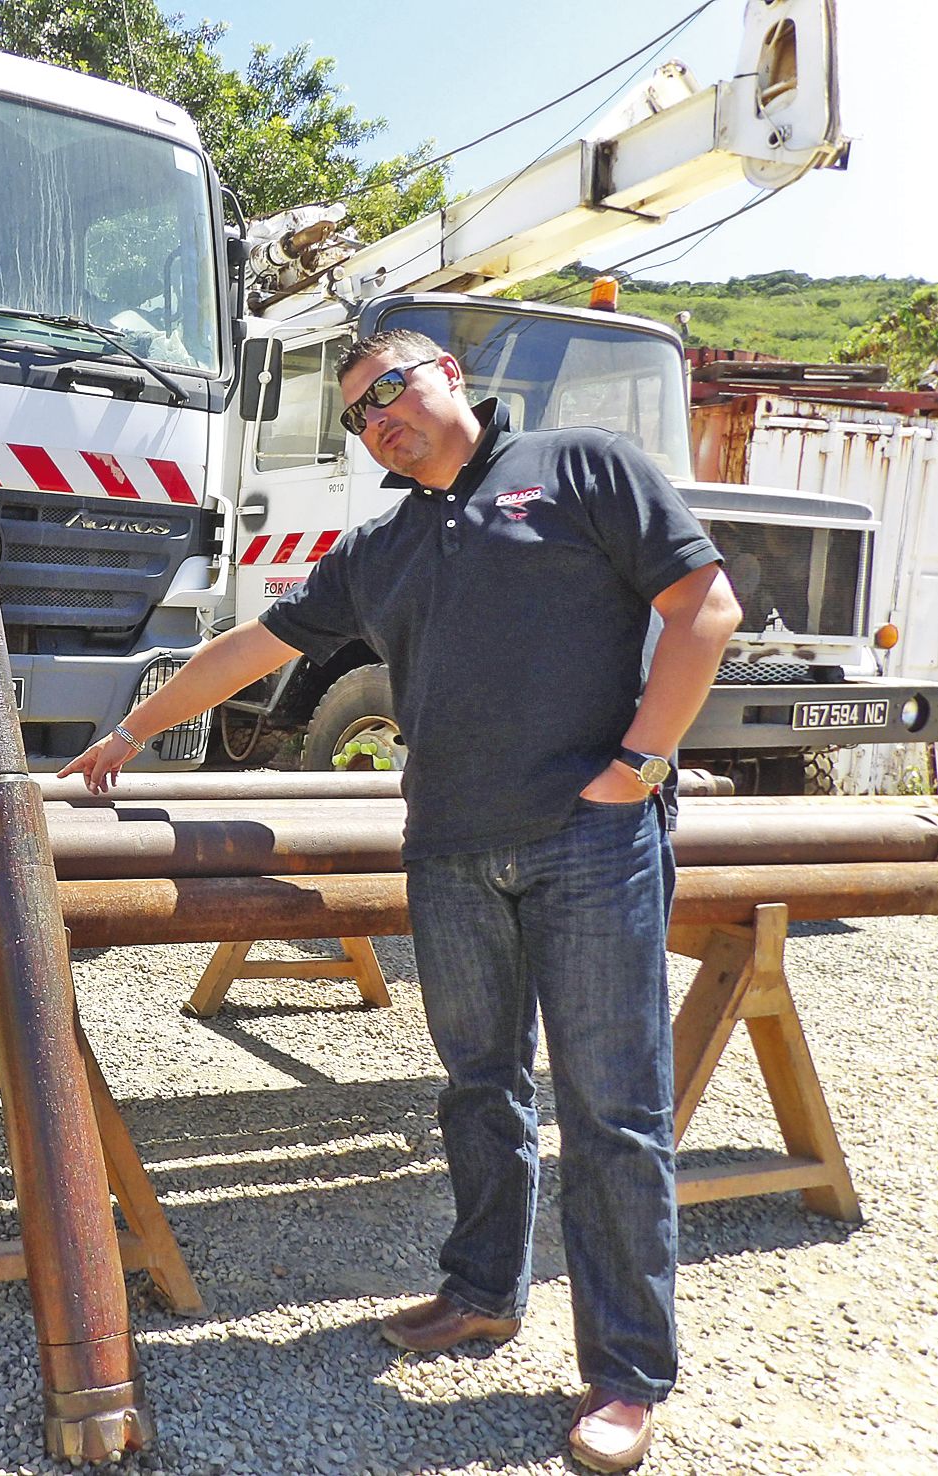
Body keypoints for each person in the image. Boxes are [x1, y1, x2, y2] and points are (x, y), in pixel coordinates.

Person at [61, 328, 741, 1473]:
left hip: (590, 841)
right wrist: (131, 730)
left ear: (451, 379)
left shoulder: (580, 467)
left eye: (390, 388)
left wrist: (638, 765)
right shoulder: (379, 547)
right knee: (478, 1088)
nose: (377, 417)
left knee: (612, 1109)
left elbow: (703, 607)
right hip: (449, 849)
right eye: (357, 413)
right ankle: (480, 1292)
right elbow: (252, 646)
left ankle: (625, 1374)